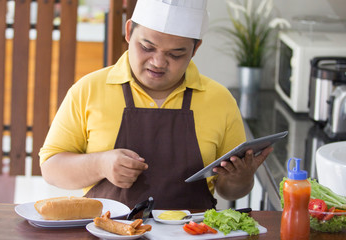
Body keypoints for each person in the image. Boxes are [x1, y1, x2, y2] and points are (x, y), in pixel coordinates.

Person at [39, 0, 273, 209]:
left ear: (195, 49)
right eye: (147, 47)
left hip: (191, 235)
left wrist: (240, 178)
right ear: (129, 32)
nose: (158, 62)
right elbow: (51, 168)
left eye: (176, 54)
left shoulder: (220, 100)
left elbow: (230, 191)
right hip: (106, 232)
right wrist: (100, 164)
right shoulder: (89, 89)